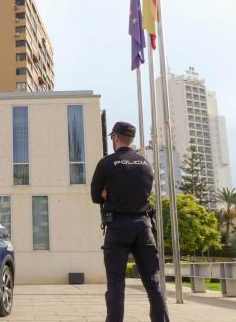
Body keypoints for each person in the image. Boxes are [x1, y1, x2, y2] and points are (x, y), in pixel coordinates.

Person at [90, 121, 169, 322]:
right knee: (153, 283)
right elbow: (143, 193)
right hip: (144, 226)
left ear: (115, 137)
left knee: (116, 284)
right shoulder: (145, 164)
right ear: (131, 139)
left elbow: (95, 196)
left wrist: (107, 194)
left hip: (117, 227)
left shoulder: (106, 163)